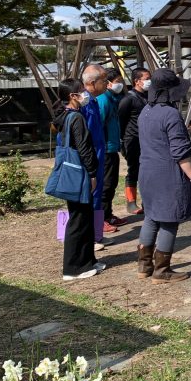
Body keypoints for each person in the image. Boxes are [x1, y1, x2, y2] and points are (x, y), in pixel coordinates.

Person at [136, 68, 191, 285]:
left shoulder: (146, 111)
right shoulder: (170, 114)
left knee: (151, 216)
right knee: (170, 221)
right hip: (167, 174)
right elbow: (180, 152)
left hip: (146, 172)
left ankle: (144, 266)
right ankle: (161, 270)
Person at [53, 78, 106, 281]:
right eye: (81, 91)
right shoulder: (75, 118)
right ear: (72, 96)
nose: (85, 94)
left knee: (85, 217)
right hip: (80, 172)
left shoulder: (68, 116)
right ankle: (73, 267)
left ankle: (88, 260)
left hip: (75, 172)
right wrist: (93, 173)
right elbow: (84, 148)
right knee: (78, 219)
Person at [81, 65, 108, 247]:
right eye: (104, 81)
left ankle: (97, 235)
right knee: (90, 196)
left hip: (99, 155)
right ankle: (89, 238)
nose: (107, 84)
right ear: (92, 83)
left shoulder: (94, 100)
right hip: (90, 158)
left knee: (97, 195)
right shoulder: (85, 102)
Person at [118, 68, 150, 215]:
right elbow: (121, 121)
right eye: (147, 78)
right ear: (137, 81)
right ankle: (131, 202)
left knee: (148, 171)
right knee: (134, 170)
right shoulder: (128, 99)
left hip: (147, 140)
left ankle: (147, 201)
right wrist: (123, 142)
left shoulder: (149, 96)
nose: (150, 81)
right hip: (132, 140)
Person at [96, 67, 125, 229]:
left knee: (112, 183)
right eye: (117, 82)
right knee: (106, 185)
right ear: (107, 84)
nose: (120, 85)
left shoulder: (113, 99)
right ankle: (101, 219)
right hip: (106, 149)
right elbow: (98, 125)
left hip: (113, 148)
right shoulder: (104, 101)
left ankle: (108, 214)